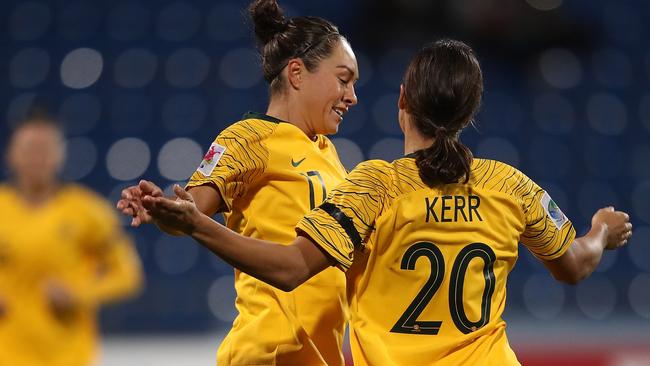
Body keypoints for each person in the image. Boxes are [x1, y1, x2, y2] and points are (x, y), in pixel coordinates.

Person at [126, 39, 633, 365]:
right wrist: (600, 232)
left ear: (402, 101)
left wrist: (198, 225)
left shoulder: (373, 187)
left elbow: (289, 268)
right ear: (470, 111)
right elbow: (573, 265)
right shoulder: (511, 186)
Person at [117, 0, 358, 364]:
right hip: (267, 354)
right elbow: (193, 209)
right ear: (296, 73)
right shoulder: (249, 137)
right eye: (343, 79)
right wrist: (162, 210)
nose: (352, 97)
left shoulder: (328, 152)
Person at [0, 113, 143, 366]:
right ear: (11, 154)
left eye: (44, 149)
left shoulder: (88, 211)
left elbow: (128, 275)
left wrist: (79, 294)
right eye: (29, 149)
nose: (37, 158)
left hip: (68, 356)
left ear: (60, 155)